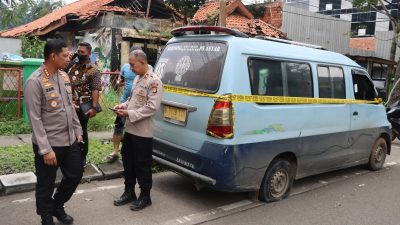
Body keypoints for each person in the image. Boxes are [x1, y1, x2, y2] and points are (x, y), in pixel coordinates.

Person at [24, 39, 84, 225]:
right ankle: (46, 217)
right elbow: (35, 118)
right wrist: (45, 149)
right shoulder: (34, 81)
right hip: (50, 144)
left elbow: (70, 107)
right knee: (46, 183)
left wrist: (77, 130)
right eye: (65, 55)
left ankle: (57, 205)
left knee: (75, 174)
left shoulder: (64, 76)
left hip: (69, 140)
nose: (69, 58)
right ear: (53, 56)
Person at [113, 49, 163, 211]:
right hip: (130, 130)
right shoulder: (137, 78)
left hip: (143, 132)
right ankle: (129, 192)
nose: (131, 68)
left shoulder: (154, 81)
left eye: (133, 65)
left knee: (142, 165)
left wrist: (128, 113)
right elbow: (132, 100)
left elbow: (151, 108)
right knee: (128, 162)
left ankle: (145, 196)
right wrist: (122, 106)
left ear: (142, 63)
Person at [106, 45, 153, 163]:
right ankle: (117, 152)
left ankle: (131, 156)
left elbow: (151, 103)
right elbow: (121, 80)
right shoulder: (127, 68)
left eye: (134, 64)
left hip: (139, 106)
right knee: (119, 127)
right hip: (125, 103)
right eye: (131, 63)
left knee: (133, 131)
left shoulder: (150, 71)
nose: (132, 67)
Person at [67, 42, 101, 165]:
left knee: (81, 131)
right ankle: (70, 156)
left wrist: (94, 107)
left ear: (89, 53)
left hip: (83, 107)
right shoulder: (72, 65)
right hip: (69, 105)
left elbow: (95, 89)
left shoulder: (93, 70)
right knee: (69, 130)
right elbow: (61, 71)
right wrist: (70, 59)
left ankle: (82, 157)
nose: (79, 54)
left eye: (82, 52)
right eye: (78, 51)